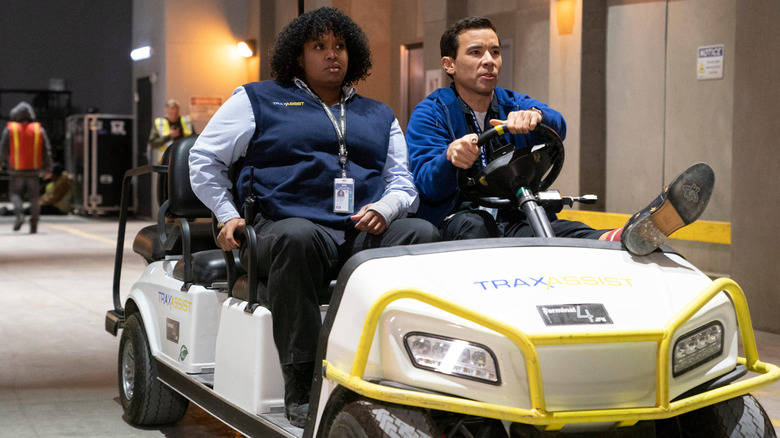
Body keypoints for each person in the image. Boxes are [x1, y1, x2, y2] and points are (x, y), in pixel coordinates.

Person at [189, 7, 440, 427]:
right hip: (284, 229)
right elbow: (204, 159)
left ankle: (408, 368)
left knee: (421, 232)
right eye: (319, 46)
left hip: (359, 231)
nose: (332, 55)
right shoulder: (256, 100)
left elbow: (402, 182)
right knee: (297, 237)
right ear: (298, 55)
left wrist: (385, 207)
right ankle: (302, 380)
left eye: (339, 46)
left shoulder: (378, 114)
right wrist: (226, 214)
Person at [406, 16, 714, 255]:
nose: (489, 60)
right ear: (449, 64)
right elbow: (428, 185)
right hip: (457, 220)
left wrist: (537, 117)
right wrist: (451, 158)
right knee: (477, 225)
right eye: (476, 52)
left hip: (512, 217)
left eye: (495, 52)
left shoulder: (513, 101)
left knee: (563, 233)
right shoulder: (431, 112)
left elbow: (558, 125)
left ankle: (625, 236)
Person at [0, 101, 52, 233]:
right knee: (35, 198)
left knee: (14, 193)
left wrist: (1, 163)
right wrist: (48, 168)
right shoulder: (39, 129)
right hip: (34, 171)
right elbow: (46, 150)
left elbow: (3, 149)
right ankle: (34, 226)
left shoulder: (10, 129)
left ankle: (19, 215)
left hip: (16, 170)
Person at [148, 99, 195, 163]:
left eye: (176, 113)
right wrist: (169, 136)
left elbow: (194, 140)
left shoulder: (186, 122)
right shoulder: (159, 123)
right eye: (171, 113)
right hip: (165, 160)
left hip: (184, 159)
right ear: (166, 111)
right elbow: (153, 144)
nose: (173, 116)